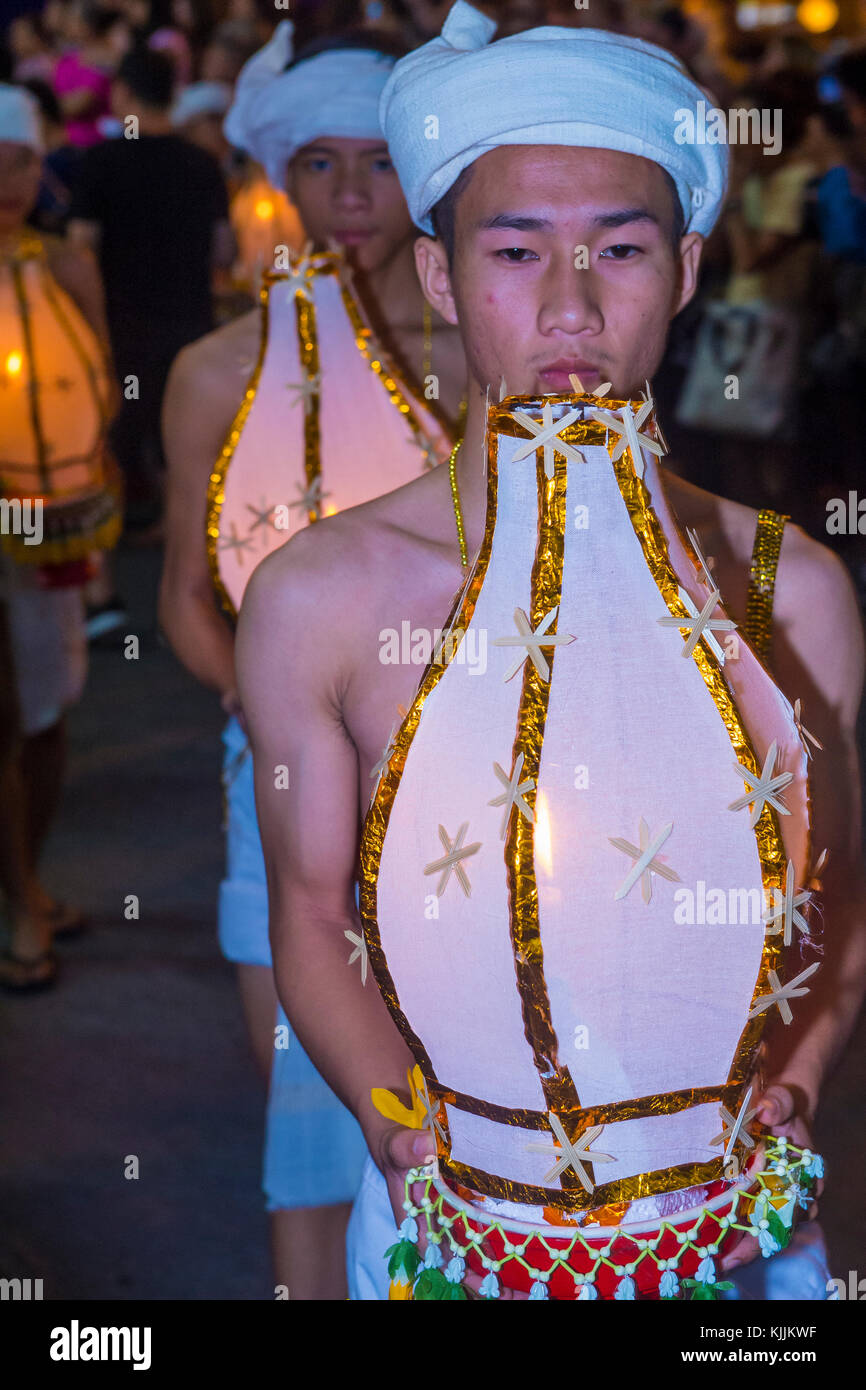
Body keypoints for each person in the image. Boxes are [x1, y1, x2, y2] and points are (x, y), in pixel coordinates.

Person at [236, 4, 866, 1300]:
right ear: (440, 276)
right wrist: (397, 1121)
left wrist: (793, 1078)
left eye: (618, 250)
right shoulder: (325, 594)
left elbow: (835, 897)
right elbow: (308, 909)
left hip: (726, 1230)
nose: (569, 305)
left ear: (686, 269)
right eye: (516, 251)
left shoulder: (785, 588)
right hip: (460, 1208)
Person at [159, 22, 462, 1301]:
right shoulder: (216, 370)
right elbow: (185, 598)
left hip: (464, 779)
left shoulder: (482, 369)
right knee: (313, 1111)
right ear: (281, 170)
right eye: (320, 163)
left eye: (377, 163)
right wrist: (270, 693)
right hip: (280, 785)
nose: (349, 195)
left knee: (459, 1112)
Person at [0, 85, 117, 990]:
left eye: (20, 158)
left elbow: (102, 395)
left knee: (44, 710)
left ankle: (27, 884)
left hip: (43, 523)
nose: (6, 176)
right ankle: (20, 904)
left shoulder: (68, 269)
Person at [68, 46, 232, 530]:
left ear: (121, 93)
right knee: (182, 437)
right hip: (191, 323)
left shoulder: (100, 161)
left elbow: (82, 251)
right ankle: (181, 535)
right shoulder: (202, 163)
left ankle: (107, 536)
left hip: (121, 325)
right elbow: (224, 250)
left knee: (117, 431)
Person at [52, 1, 125, 148]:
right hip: (66, 144)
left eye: (72, 18)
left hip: (104, 145)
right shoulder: (67, 60)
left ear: (88, 24)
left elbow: (80, 103)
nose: (66, 23)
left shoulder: (110, 59)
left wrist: (42, 107)